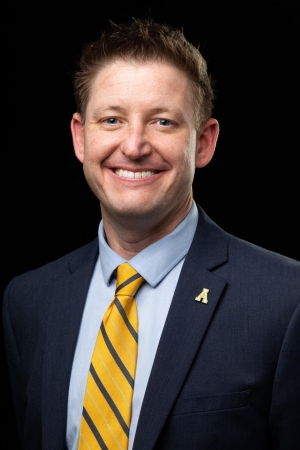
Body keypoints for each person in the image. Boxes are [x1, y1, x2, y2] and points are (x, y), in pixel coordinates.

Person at [2, 18, 300, 450]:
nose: (135, 145)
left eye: (162, 122)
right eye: (111, 120)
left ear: (203, 143)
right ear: (80, 137)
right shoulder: (28, 303)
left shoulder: (286, 301)